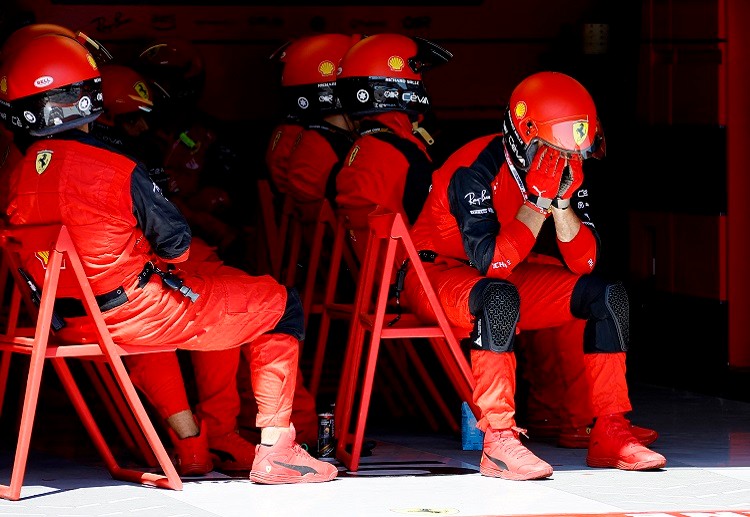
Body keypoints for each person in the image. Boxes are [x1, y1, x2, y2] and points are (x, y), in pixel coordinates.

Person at [0, 33, 336, 484]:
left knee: (180, 300)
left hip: (63, 323)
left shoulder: (17, 173)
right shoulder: (116, 166)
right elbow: (176, 243)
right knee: (278, 304)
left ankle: (193, 447)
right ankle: (278, 449)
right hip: (135, 315)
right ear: (86, 97)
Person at [401, 70, 667, 480]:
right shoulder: (473, 168)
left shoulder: (562, 168)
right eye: (555, 144)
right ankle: (500, 440)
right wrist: (540, 200)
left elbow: (585, 263)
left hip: (497, 273)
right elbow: (492, 263)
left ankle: (610, 429)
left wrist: (560, 203)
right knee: (498, 298)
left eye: (576, 141)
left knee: (607, 295)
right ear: (524, 134)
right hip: (433, 272)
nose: (566, 155)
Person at [134, 40, 320, 448]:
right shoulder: (120, 156)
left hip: (106, 299)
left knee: (229, 295)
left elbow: (233, 202)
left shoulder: (208, 135)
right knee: (236, 303)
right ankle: (244, 437)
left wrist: (200, 213)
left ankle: (208, 438)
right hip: (156, 281)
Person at [332, 32, 452, 259]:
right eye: (418, 78)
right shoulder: (402, 156)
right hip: (420, 280)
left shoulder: (360, 150)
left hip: (383, 278)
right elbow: (444, 227)